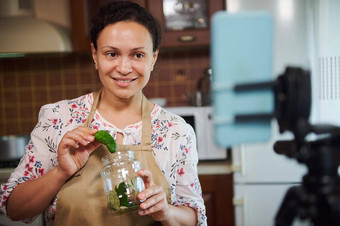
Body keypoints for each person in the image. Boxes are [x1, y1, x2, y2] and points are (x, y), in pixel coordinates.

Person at [0, 1, 207, 226]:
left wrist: (167, 212)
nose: (124, 68)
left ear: (153, 58)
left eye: (138, 55)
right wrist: (61, 172)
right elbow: (14, 209)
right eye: (112, 54)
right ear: (95, 55)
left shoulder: (175, 131)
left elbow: (194, 215)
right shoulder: (59, 118)